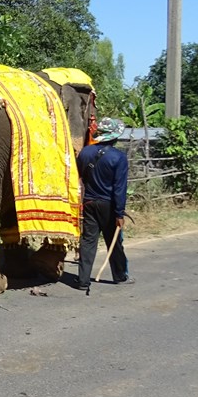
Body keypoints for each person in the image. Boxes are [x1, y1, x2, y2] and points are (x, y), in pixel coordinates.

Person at [76, 117, 133, 290]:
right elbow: (119, 189)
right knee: (114, 241)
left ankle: (83, 280)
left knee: (88, 242)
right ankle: (120, 275)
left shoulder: (85, 153)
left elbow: (81, 177)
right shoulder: (118, 158)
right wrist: (119, 213)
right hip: (108, 205)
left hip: (89, 203)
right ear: (115, 137)